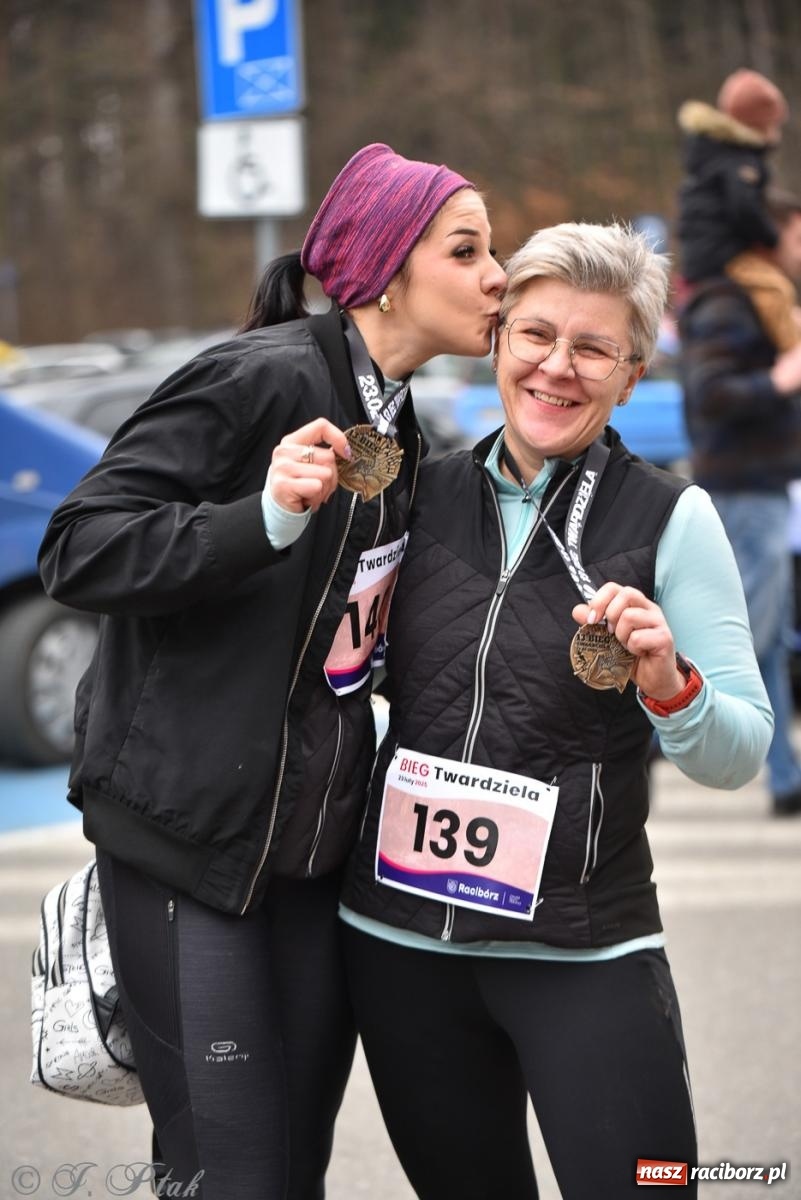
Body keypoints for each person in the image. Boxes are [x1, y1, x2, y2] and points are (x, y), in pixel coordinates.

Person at [37, 142, 506, 1199]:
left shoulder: (405, 426)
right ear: (388, 269)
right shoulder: (262, 376)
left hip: (308, 856)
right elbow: (79, 546)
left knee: (291, 1167)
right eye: (469, 250)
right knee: (230, 1173)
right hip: (190, 843)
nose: (497, 276)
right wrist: (262, 519)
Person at [339, 221, 773, 1200]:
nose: (557, 368)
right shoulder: (419, 495)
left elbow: (737, 752)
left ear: (632, 373)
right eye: (536, 335)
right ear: (497, 342)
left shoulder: (670, 517)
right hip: (401, 950)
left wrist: (670, 681)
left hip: (582, 949)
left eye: (593, 348)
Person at [680, 191, 801, 818]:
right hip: (741, 490)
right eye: (797, 238)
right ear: (768, 239)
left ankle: (785, 778)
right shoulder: (732, 302)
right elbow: (711, 392)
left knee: (765, 637)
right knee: (750, 639)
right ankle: (643, 741)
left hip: (758, 486)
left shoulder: (760, 300)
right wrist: (783, 379)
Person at [677, 68, 798, 351]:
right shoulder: (738, 163)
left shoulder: (715, 153)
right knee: (775, 289)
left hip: (705, 251)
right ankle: (793, 353)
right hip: (719, 254)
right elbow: (744, 209)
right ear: (759, 125)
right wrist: (771, 238)